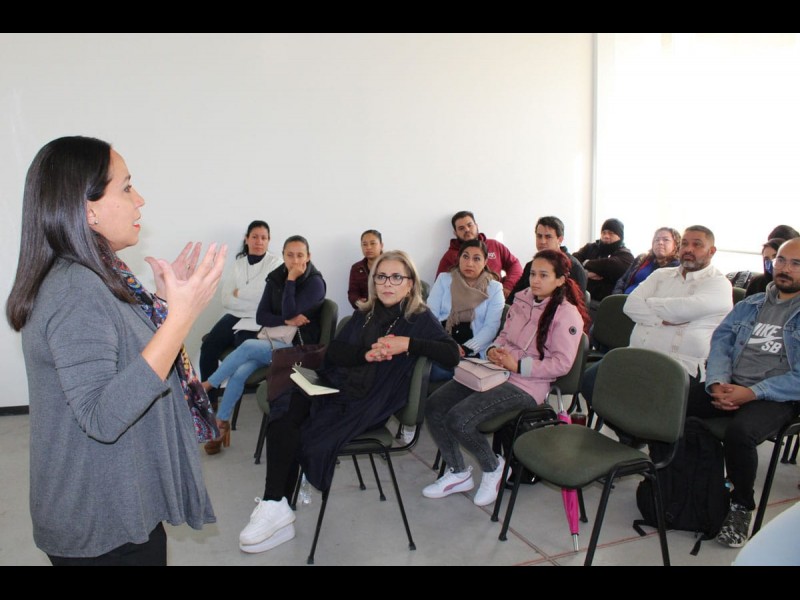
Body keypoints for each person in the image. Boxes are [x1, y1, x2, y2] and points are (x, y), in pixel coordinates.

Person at [5, 136, 226, 565]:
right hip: (99, 522)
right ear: (88, 210)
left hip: (119, 502)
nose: (139, 199)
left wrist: (164, 307)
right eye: (126, 187)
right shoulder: (76, 287)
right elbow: (102, 416)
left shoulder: (98, 274)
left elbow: (125, 356)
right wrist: (180, 319)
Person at [237, 250, 459, 554]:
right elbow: (335, 352)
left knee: (298, 423)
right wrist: (365, 354)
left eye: (397, 277)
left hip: (370, 401)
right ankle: (275, 504)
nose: (388, 283)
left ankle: (277, 507)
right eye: (381, 277)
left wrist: (407, 343)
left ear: (410, 284)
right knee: (287, 406)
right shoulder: (366, 311)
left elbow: (451, 353)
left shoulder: (418, 318)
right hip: (340, 385)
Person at [423, 249, 589, 507]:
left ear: (560, 280)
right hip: (495, 372)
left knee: (459, 419)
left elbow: (562, 364)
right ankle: (458, 472)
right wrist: (493, 349)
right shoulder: (522, 299)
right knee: (434, 405)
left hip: (527, 385)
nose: (535, 280)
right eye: (533, 274)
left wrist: (519, 365)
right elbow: (503, 336)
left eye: (544, 275)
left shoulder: (567, 314)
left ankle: (493, 467)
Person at [686, 238, 800, 548]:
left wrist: (752, 392)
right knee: (676, 404)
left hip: (778, 395)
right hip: (730, 383)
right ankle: (683, 482)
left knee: (740, 433)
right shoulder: (751, 304)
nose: (785, 268)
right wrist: (717, 382)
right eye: (781, 260)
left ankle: (741, 506)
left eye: (796, 264)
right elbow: (721, 343)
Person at [580, 226, 733, 439]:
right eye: (685, 243)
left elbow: (682, 310)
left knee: (643, 399)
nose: (689, 249)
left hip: (678, 365)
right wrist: (663, 318)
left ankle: (638, 434)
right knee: (589, 382)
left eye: (697, 244)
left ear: (711, 251)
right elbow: (630, 305)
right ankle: (630, 434)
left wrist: (651, 304)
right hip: (636, 353)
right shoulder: (661, 274)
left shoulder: (719, 284)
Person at [202, 235, 326, 454]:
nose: (295, 260)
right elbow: (262, 316)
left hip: (298, 350)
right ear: (283, 256)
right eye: (290, 255)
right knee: (240, 372)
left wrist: (291, 280)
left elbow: (288, 310)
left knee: (248, 346)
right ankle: (222, 423)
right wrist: (287, 320)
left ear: (308, 257)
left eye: (300, 255)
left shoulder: (315, 283)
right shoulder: (275, 277)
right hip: (272, 343)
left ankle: (209, 385)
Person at [199, 220, 282, 395]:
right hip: (234, 316)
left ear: (268, 240)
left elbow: (265, 296)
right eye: (255, 237)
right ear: (246, 239)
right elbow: (226, 299)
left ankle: (231, 398)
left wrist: (239, 293)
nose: (259, 241)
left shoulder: (276, 264)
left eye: (263, 238)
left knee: (240, 351)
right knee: (208, 347)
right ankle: (208, 401)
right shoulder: (238, 264)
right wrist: (251, 297)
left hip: (258, 319)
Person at [426, 239, 505, 380]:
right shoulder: (444, 279)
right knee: (420, 368)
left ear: (485, 262)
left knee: (437, 372)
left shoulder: (495, 288)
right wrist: (446, 345)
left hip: (472, 351)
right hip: (442, 343)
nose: (470, 263)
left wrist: (466, 348)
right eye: (466, 257)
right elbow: (430, 316)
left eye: (476, 259)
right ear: (459, 258)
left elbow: (491, 327)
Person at [436, 210, 522, 298]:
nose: (467, 230)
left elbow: (514, 264)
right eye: (461, 228)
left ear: (476, 226)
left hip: (498, 297)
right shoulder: (450, 256)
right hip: (467, 301)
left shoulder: (494, 245)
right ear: (455, 233)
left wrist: (508, 286)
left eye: (470, 225)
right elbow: (440, 287)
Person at [508, 216, 588, 303]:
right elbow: (512, 299)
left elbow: (577, 304)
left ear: (560, 239)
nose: (542, 241)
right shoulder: (530, 266)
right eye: (539, 236)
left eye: (548, 237)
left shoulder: (573, 267)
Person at [572, 218, 634, 306]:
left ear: (619, 236)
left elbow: (612, 265)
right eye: (604, 233)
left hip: (606, 304)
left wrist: (586, 263)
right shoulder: (591, 247)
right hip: (580, 298)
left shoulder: (626, 255)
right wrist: (586, 274)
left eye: (611, 233)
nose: (606, 236)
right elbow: (573, 261)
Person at [612, 227, 681, 294]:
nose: (660, 242)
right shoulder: (641, 259)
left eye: (666, 240)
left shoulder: (677, 267)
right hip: (623, 298)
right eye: (656, 240)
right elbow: (622, 280)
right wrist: (617, 296)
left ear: (675, 244)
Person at [348, 229, 383, 309]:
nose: (368, 247)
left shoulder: (390, 265)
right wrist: (358, 301)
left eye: (373, 243)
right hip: (365, 309)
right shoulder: (356, 268)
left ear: (381, 245)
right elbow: (352, 292)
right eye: (364, 244)